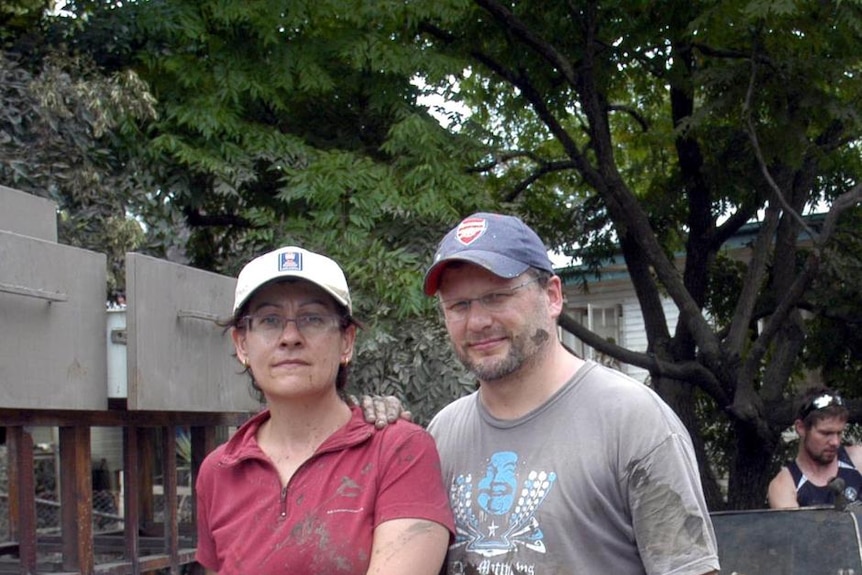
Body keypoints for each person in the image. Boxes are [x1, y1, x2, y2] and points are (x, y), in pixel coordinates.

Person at [421, 212, 719, 575]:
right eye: (459, 306)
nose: (478, 322)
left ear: (552, 296)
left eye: (497, 297)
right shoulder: (441, 434)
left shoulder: (632, 420)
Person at [194, 246, 454, 575]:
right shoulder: (219, 471)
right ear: (242, 345)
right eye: (269, 320)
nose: (290, 337)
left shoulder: (399, 452)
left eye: (313, 318)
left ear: (347, 341)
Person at [767, 387, 862, 509]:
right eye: (826, 433)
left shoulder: (858, 459)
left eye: (839, 433)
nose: (835, 442)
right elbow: (795, 528)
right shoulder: (784, 486)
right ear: (801, 428)